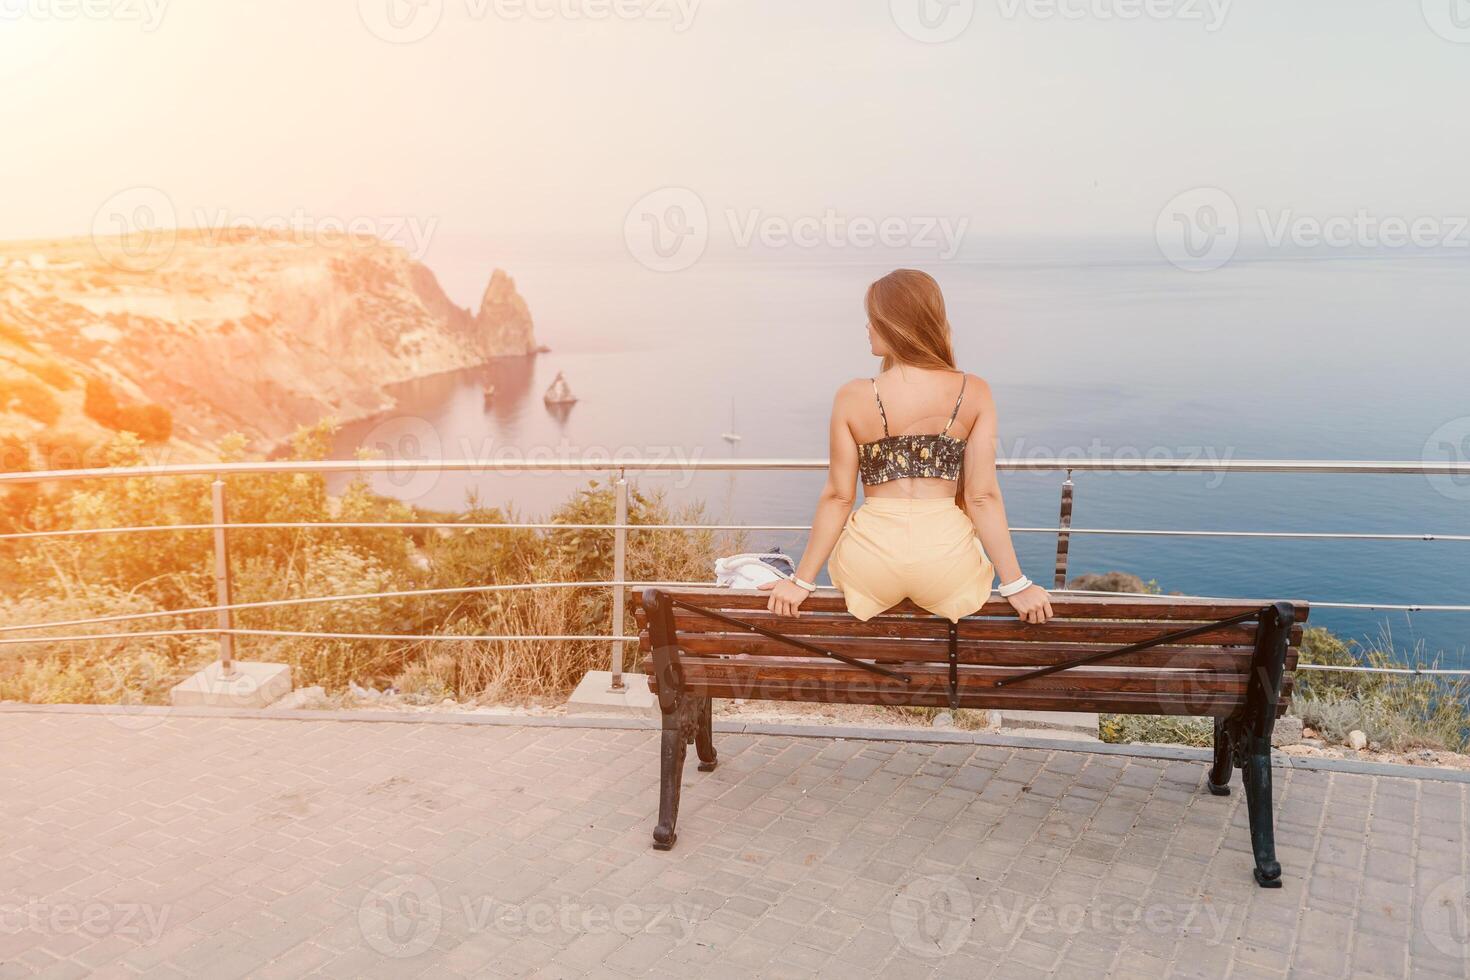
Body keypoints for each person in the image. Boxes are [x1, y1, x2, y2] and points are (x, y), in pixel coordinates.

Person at [759, 269, 1054, 625]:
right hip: (946, 565)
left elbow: (838, 497)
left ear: (895, 324)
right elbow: (982, 497)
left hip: (870, 565)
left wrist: (801, 580)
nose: (867, 327)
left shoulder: (852, 396)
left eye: (873, 319)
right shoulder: (973, 391)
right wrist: (1015, 584)